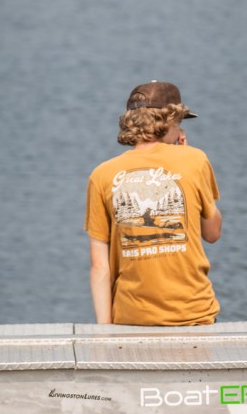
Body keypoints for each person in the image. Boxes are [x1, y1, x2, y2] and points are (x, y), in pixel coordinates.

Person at [85, 81, 222, 326]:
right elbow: (212, 233)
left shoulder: (102, 174)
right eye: (180, 123)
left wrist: (105, 331)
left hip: (130, 318)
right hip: (193, 314)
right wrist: (186, 157)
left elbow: (99, 267)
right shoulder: (195, 159)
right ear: (170, 121)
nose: (181, 131)